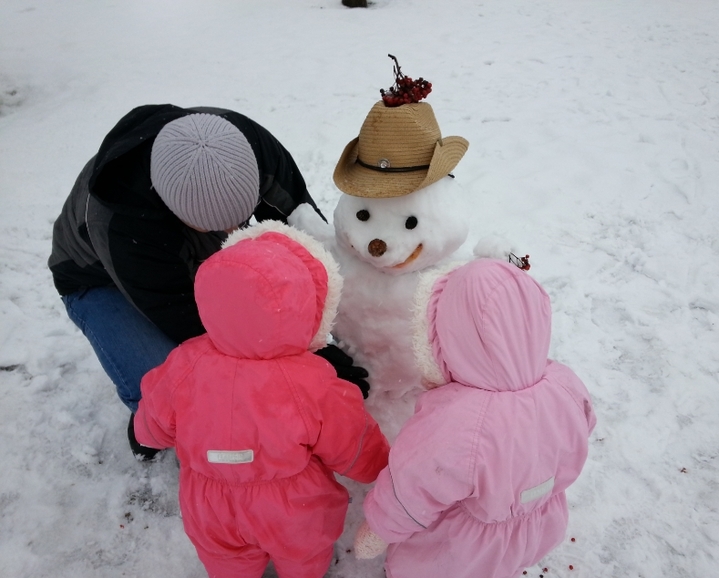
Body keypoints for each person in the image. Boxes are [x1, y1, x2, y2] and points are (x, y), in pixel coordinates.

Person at [47, 104, 369, 460]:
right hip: (98, 282)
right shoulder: (125, 226)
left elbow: (307, 243)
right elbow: (193, 326)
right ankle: (147, 416)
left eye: (241, 217)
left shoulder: (249, 147)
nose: (233, 232)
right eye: (216, 226)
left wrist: (327, 326)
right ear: (177, 212)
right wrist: (303, 358)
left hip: (182, 253)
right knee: (180, 384)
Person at [133, 221, 390, 578]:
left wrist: (144, 433)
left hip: (210, 505)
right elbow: (349, 436)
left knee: (226, 560)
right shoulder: (311, 379)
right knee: (303, 556)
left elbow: (154, 419)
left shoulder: (184, 363)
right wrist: (378, 465)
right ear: (303, 308)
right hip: (293, 507)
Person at [353, 258, 597, 578]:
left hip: (460, 552)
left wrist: (381, 528)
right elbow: (582, 427)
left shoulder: (457, 421)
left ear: (452, 338)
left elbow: (413, 487)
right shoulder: (565, 384)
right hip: (538, 527)